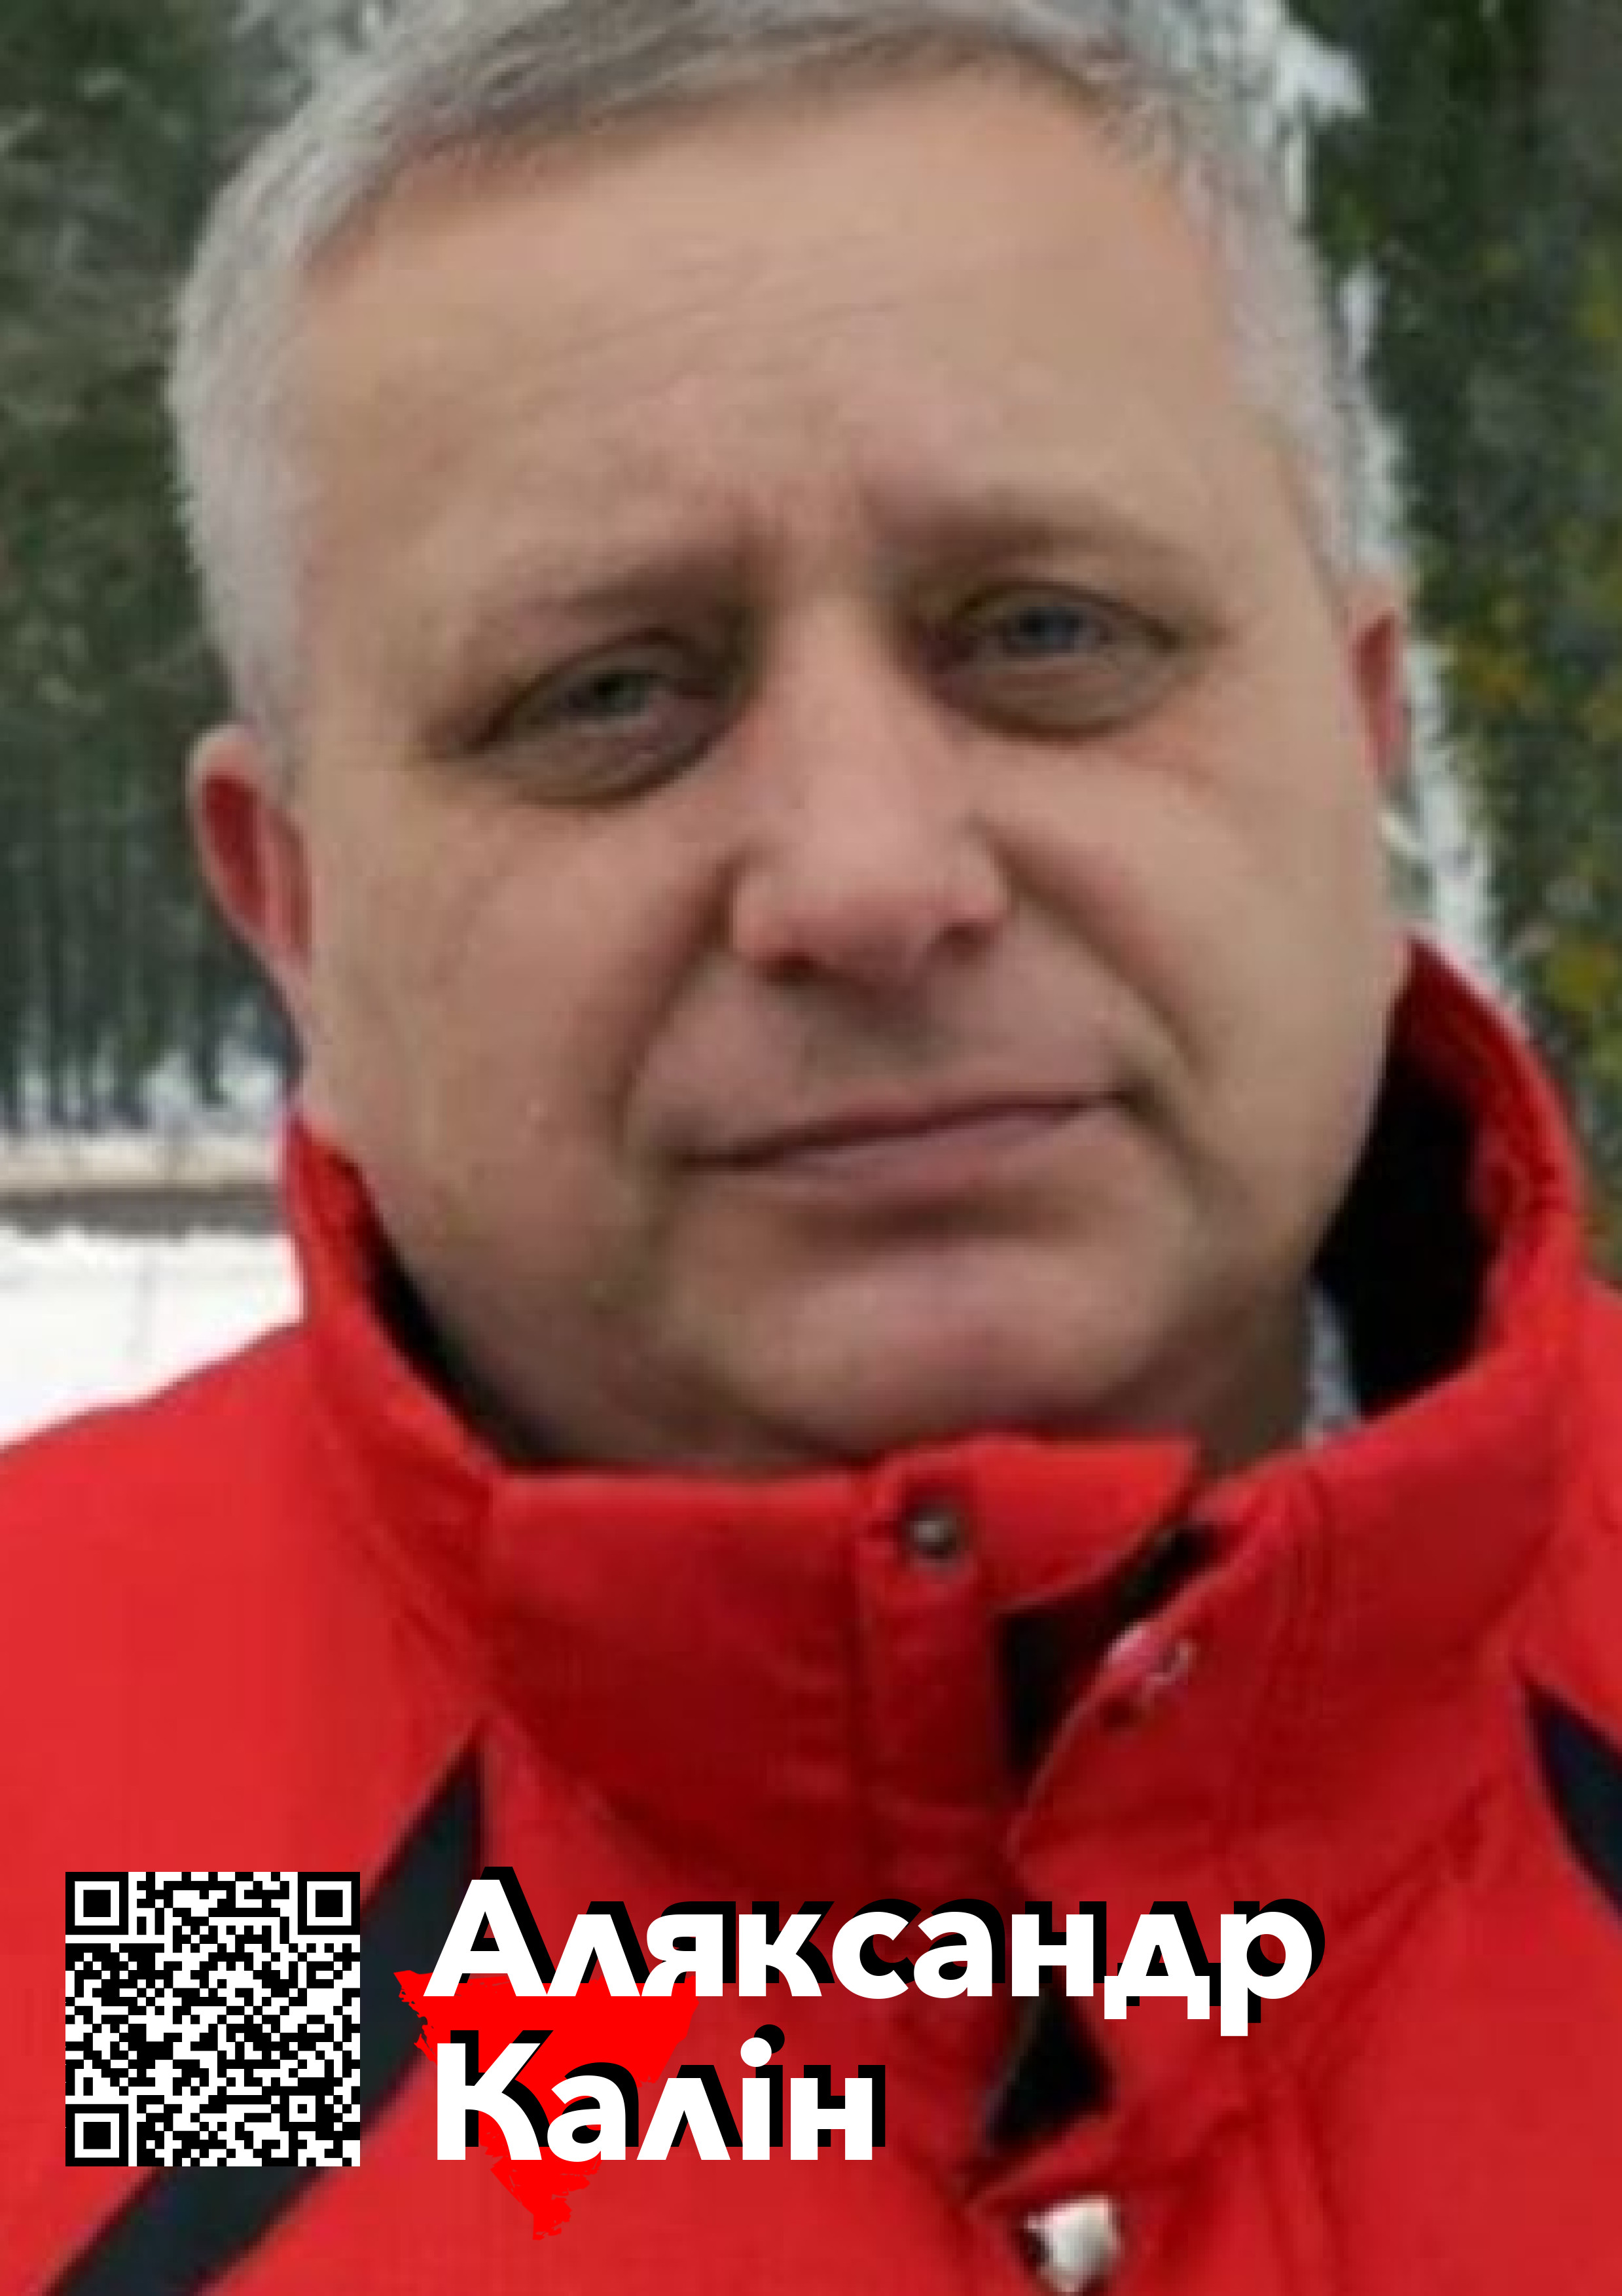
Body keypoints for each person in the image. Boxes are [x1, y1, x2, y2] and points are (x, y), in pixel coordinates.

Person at [7, 1, 1622, 2289]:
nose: (867, 878)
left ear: (1356, 753)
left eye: (1049, 631)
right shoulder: (101, 1872)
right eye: (606, 693)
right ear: (297, 908)